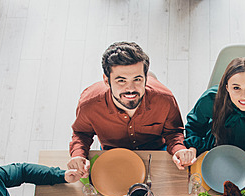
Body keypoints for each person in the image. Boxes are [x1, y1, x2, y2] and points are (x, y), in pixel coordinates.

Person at [68, 41, 196, 175]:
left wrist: (179, 149)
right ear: (107, 80)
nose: (130, 89)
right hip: (113, 156)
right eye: (121, 81)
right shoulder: (89, 104)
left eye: (137, 79)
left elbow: (173, 132)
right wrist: (78, 155)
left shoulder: (165, 100)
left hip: (155, 154)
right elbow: (81, 133)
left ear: (146, 78)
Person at [185, 57, 245, 167]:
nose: (244, 96)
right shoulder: (210, 99)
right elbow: (194, 127)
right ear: (227, 87)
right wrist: (192, 150)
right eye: (236, 88)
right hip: (217, 145)